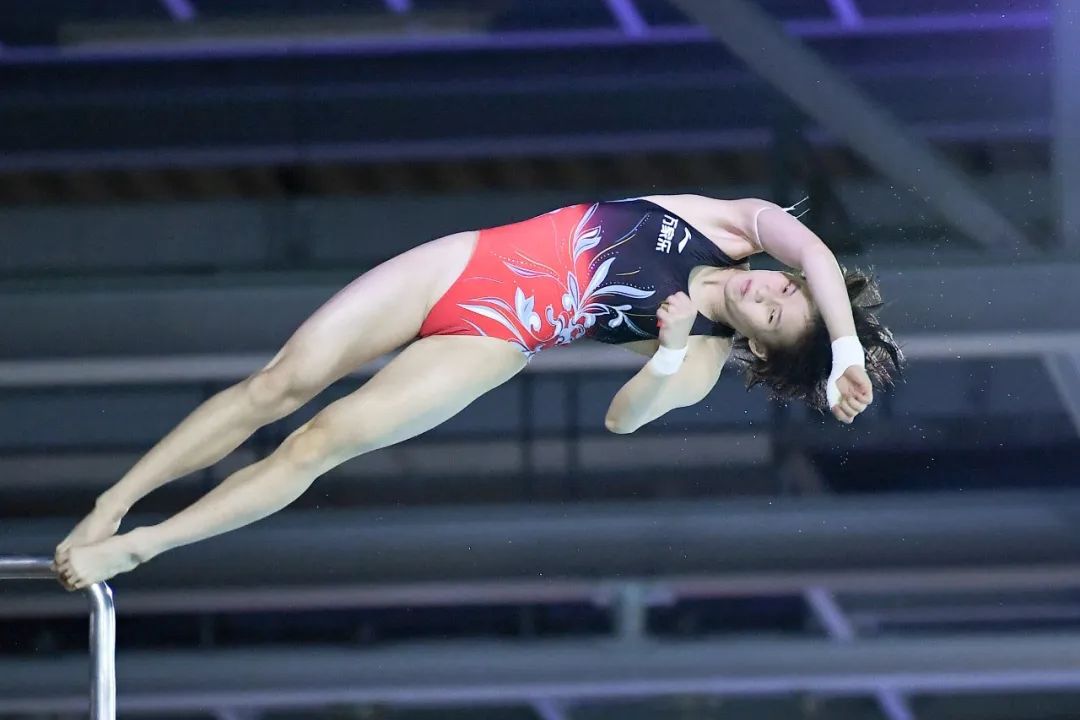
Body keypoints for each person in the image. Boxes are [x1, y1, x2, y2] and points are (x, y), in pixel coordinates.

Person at [53, 195, 902, 590]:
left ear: (760, 346)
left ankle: (144, 547)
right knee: (281, 384)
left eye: (774, 318)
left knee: (318, 443)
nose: (768, 294)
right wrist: (839, 352)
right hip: (466, 261)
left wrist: (668, 352)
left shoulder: (706, 358)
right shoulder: (730, 222)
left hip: (493, 341)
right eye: (784, 290)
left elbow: (624, 419)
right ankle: (112, 504)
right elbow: (819, 255)